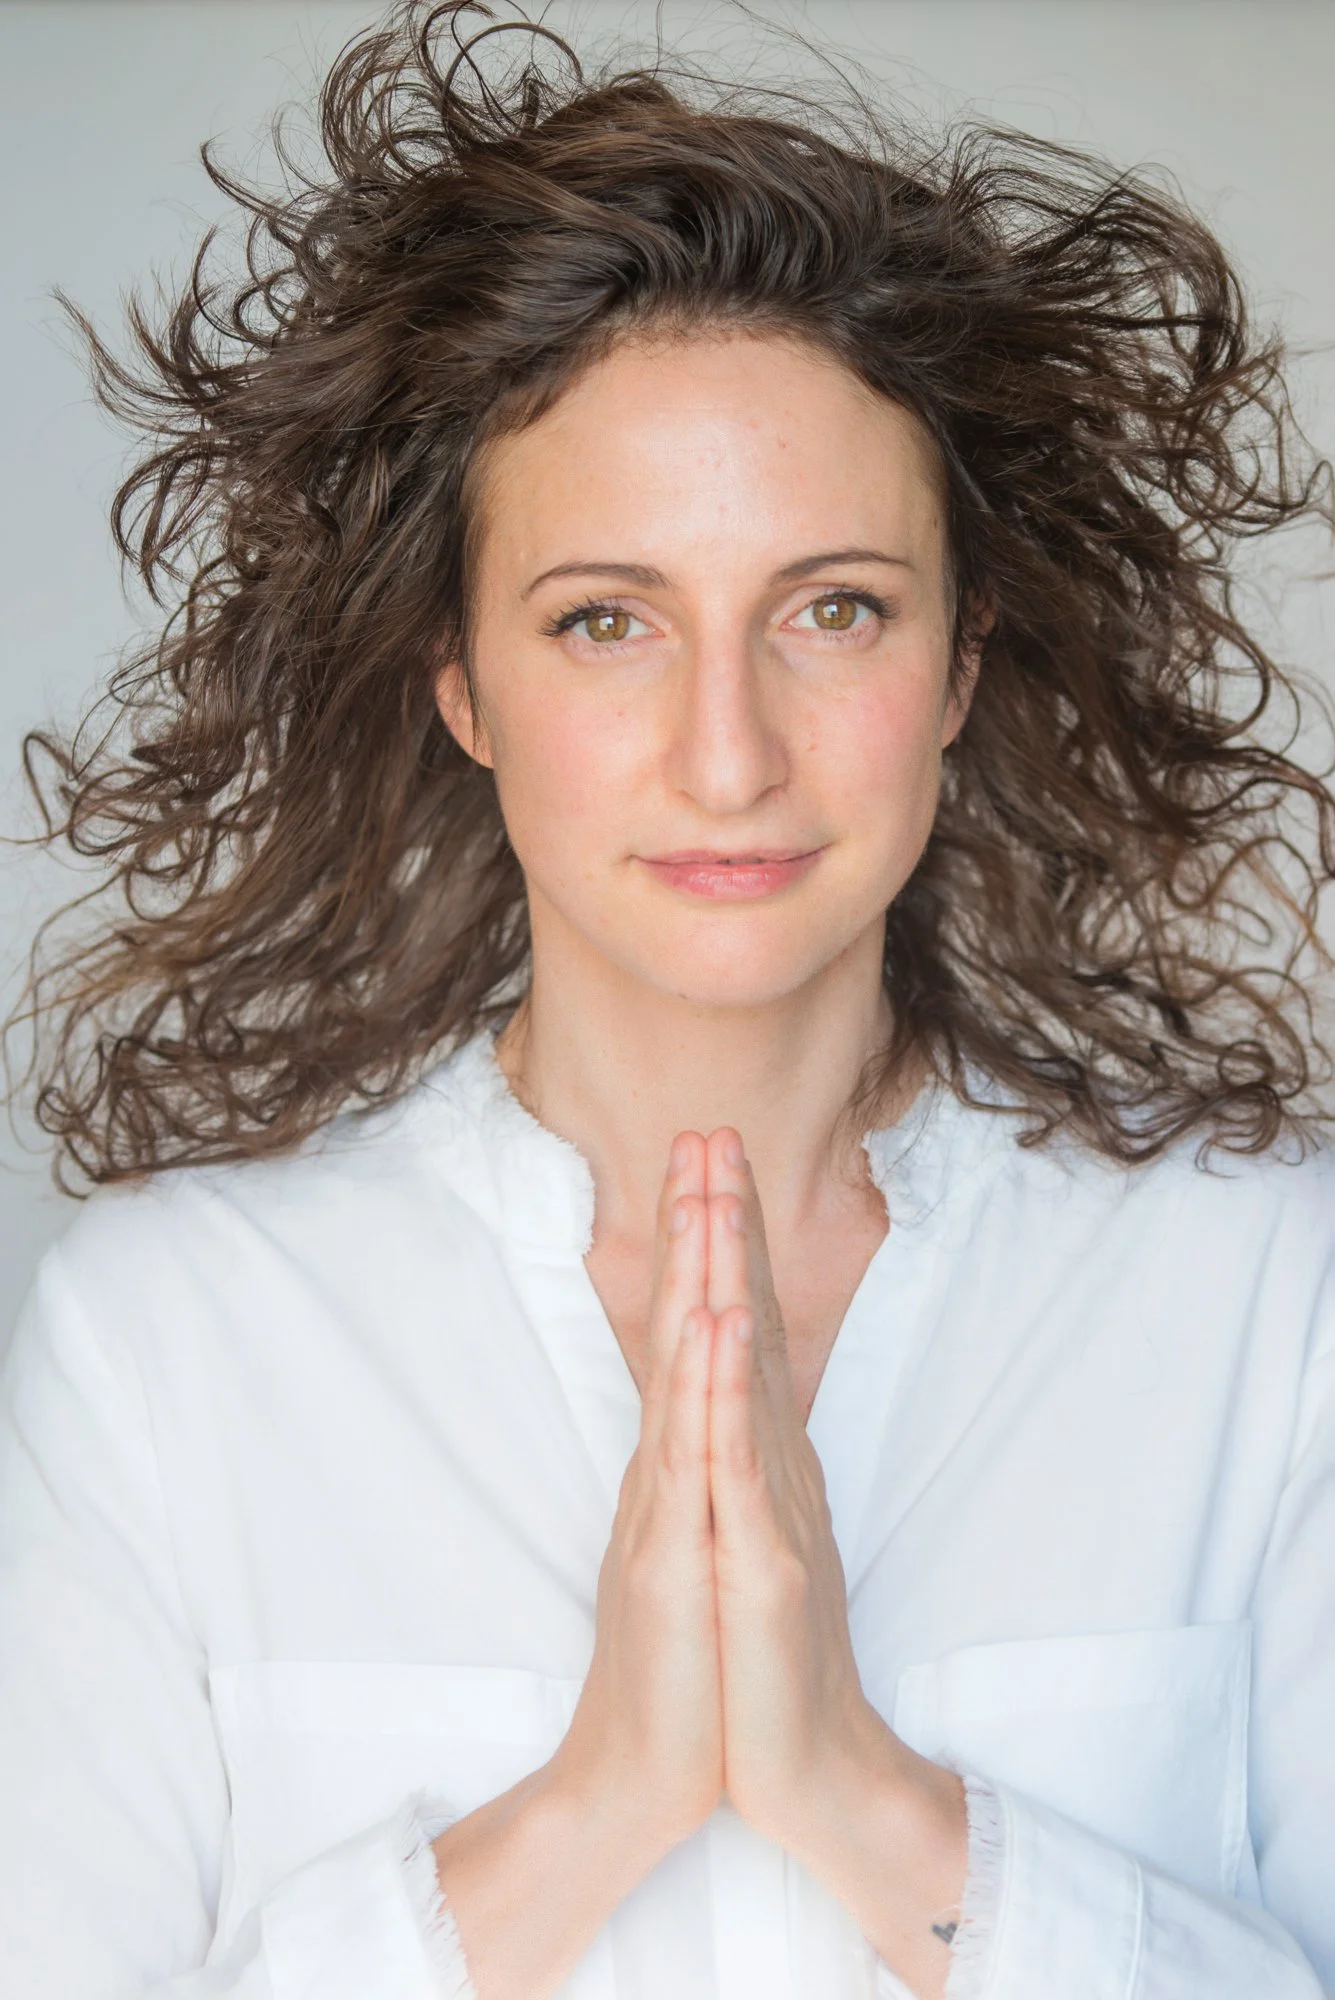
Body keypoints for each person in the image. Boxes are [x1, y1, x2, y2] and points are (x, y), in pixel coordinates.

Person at [1, 2, 1333, 1995]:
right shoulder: (167, 1342)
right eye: (605, 620)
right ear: (459, 679)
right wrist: (597, 1799)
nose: (728, 757)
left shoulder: (1262, 1298)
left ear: (963, 660)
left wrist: (863, 1795)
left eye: (833, 608)